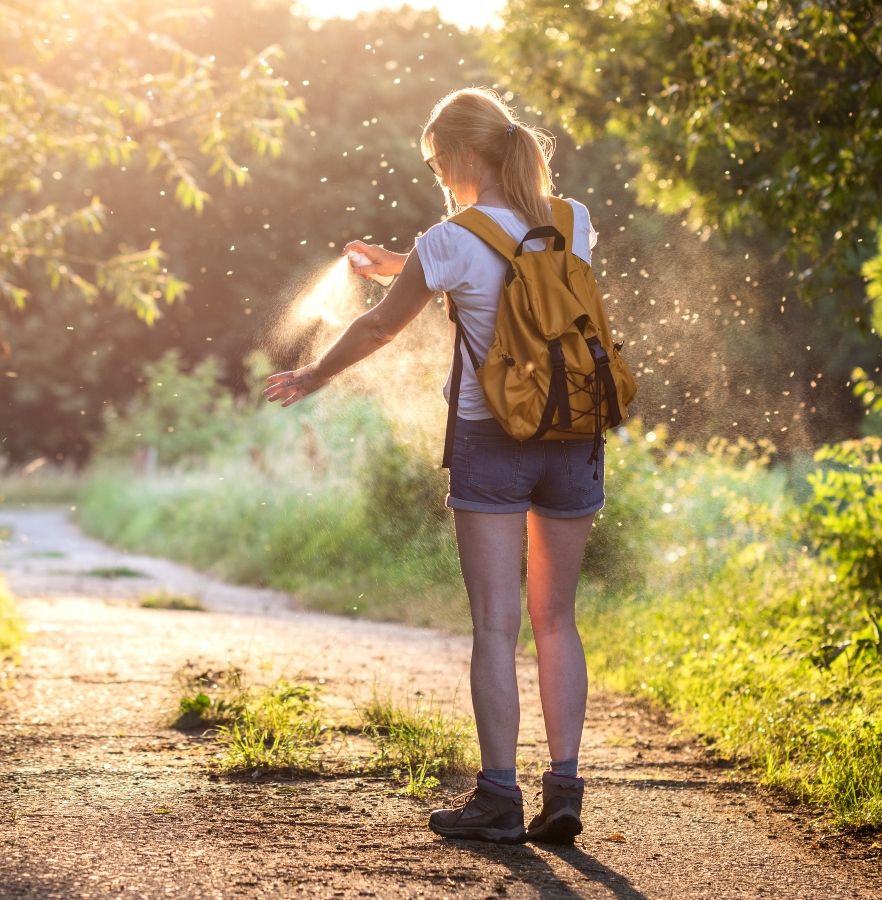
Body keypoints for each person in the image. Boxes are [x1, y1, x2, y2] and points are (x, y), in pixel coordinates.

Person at [264, 87, 603, 845]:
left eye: (434, 163)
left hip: (494, 440)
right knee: (557, 620)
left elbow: (384, 327)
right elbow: (512, 266)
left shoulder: (448, 239)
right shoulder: (574, 220)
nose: (437, 177)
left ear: (456, 156)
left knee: (495, 624)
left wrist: (316, 373)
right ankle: (567, 787)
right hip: (574, 436)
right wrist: (407, 262)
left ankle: (498, 799)